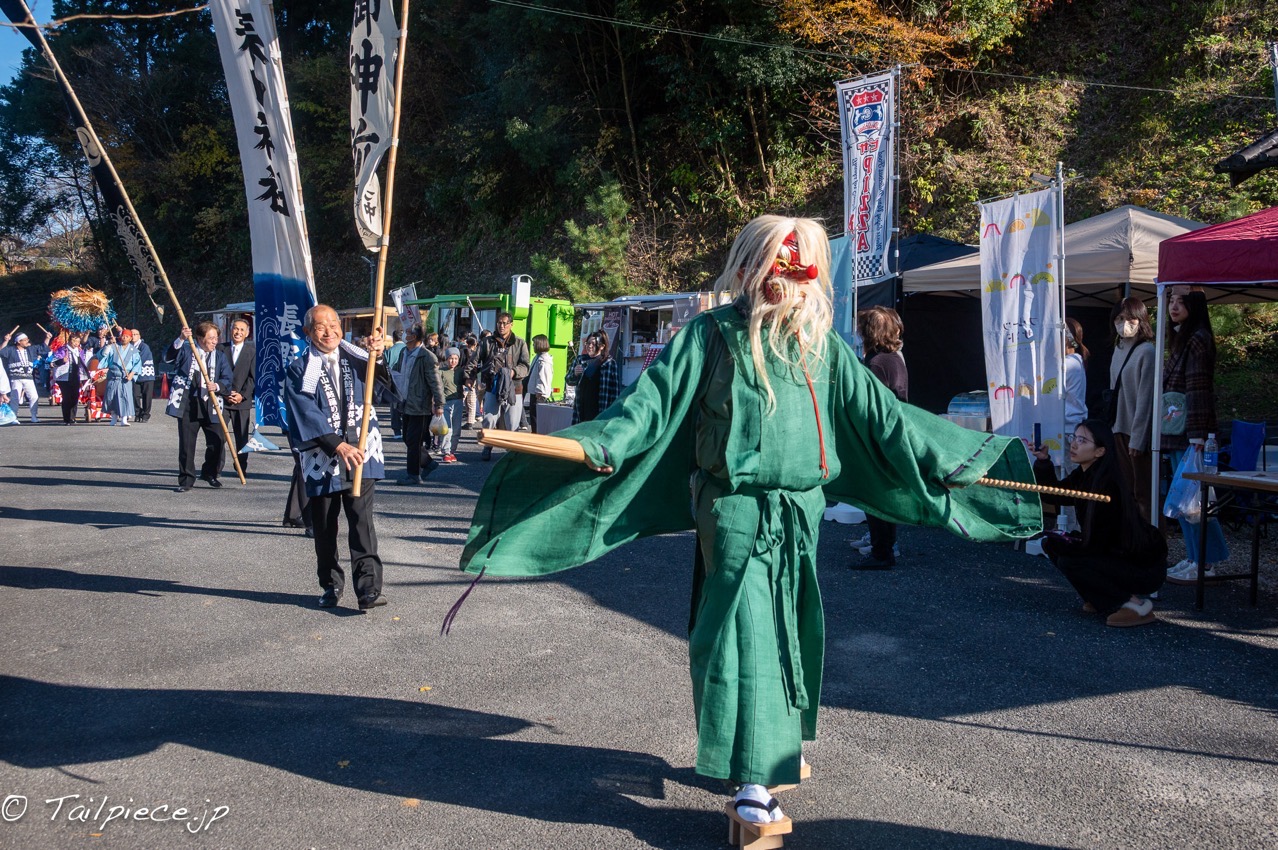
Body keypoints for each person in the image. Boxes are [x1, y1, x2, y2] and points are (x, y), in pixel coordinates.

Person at [458, 215, 1040, 828]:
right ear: (748, 269)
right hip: (734, 509)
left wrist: (955, 459)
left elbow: (887, 419)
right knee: (747, 630)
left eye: (796, 270)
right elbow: (647, 405)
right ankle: (754, 779)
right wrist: (601, 443)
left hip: (801, 510)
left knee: (790, 626)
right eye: (773, 267)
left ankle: (774, 747)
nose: (783, 282)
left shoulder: (822, 346)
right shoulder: (709, 334)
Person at [284, 304, 396, 610]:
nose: (329, 332)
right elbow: (304, 411)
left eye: (333, 325)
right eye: (320, 327)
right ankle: (330, 584)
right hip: (323, 458)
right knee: (324, 526)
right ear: (308, 332)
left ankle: (369, 589)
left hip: (361, 452)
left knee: (362, 522)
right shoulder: (300, 368)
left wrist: (378, 356)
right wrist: (337, 445)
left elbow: (385, 387)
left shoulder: (358, 357)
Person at [1028, 418, 1167, 626]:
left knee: (1070, 560)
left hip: (1138, 564)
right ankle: (1100, 599)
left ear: (1100, 451)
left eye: (1082, 441)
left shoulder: (1109, 485)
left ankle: (1134, 606)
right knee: (1052, 545)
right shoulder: (1084, 475)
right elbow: (1053, 494)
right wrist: (1043, 461)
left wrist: (1071, 544)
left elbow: (1101, 543)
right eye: (1074, 438)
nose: (1074, 445)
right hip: (1113, 554)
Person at [1162, 287, 1229, 584]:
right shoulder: (1184, 337)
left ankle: (1205, 561)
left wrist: (1199, 435)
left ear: (1194, 305)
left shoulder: (1198, 338)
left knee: (1195, 500)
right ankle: (1194, 557)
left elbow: (1199, 388)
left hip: (1192, 432)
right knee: (1183, 498)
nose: (1174, 307)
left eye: (1181, 302)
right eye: (1171, 301)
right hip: (1181, 428)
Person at [851, 306, 908, 569]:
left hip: (878, 437)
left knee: (873, 495)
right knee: (883, 495)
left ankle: (881, 552)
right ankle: (885, 548)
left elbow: (870, 405)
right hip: (891, 435)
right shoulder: (893, 358)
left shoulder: (876, 364)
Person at [164, 322, 233, 491]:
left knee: (217, 441)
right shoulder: (188, 351)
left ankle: (210, 473)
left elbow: (227, 378)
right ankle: (186, 480)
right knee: (187, 444)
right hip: (189, 403)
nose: (215, 341)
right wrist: (181, 338)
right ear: (201, 339)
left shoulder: (219, 356)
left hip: (212, 403)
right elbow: (168, 358)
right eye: (211, 338)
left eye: (216, 338)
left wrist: (217, 386)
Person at [1107, 297, 1157, 521]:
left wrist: (1138, 438)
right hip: (1118, 428)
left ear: (1141, 320)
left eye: (1130, 318)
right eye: (1119, 318)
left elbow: (1146, 398)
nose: (1124, 323)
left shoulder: (1147, 351)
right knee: (1126, 491)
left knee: (1143, 493)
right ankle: (1130, 536)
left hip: (1137, 434)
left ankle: (1151, 537)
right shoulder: (1118, 348)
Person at [465, 311, 530, 461]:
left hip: (514, 388)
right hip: (492, 387)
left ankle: (511, 452)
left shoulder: (520, 343)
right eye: (499, 323)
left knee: (512, 422)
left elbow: (526, 366)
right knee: (489, 419)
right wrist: (469, 377)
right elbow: (474, 361)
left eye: (505, 323)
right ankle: (488, 446)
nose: (502, 326)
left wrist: (514, 372)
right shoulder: (487, 342)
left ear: (511, 325)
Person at [397, 325, 444, 485]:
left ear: (416, 336)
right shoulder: (404, 352)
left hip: (420, 404)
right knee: (407, 439)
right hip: (405, 402)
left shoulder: (427, 356)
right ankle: (428, 463)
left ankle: (413, 474)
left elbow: (435, 382)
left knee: (414, 441)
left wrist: (439, 403)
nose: (405, 335)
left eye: (408, 333)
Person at [219, 318, 256, 472]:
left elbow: (253, 378)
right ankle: (216, 468)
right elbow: (215, 374)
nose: (238, 332)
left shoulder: (252, 351)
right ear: (230, 330)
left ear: (247, 333)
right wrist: (224, 392)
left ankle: (241, 468)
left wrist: (242, 395)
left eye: (242, 330)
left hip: (242, 402)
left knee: (241, 437)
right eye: (236, 328)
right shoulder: (221, 349)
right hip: (222, 400)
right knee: (219, 436)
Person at [95, 329, 140, 426]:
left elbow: (137, 364)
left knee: (125, 398)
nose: (124, 338)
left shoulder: (134, 351)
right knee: (112, 398)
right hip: (113, 377)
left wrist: (131, 374)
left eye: (127, 336)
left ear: (130, 338)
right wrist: (109, 345)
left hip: (125, 377)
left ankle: (124, 419)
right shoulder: (114, 347)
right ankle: (114, 417)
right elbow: (103, 355)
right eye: (123, 336)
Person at [1, 332, 41, 423]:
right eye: (25, 340)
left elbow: (42, 348)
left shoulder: (30, 350)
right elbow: (1, 351)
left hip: (28, 378)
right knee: (15, 398)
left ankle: (34, 416)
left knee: (34, 396)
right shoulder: (11, 350)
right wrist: (6, 341)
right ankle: (14, 417)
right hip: (16, 378)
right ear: (19, 341)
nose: (27, 341)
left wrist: (47, 338)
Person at [52, 334, 91, 425]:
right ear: (69, 341)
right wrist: (62, 361)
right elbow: (52, 363)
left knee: (75, 397)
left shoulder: (79, 351)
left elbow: (83, 362)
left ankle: (73, 417)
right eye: (74, 341)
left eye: (78, 341)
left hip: (76, 375)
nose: (76, 343)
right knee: (67, 397)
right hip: (64, 377)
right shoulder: (63, 350)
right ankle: (67, 419)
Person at [439, 347, 465, 462]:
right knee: (447, 428)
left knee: (456, 428)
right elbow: (437, 388)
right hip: (445, 402)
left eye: (455, 358)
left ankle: (452, 451)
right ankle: (446, 451)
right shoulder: (441, 371)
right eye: (450, 358)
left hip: (458, 401)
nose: (453, 361)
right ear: (446, 359)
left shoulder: (460, 371)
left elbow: (467, 380)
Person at [1064, 317, 1088, 439]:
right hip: (1071, 425)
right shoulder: (1076, 360)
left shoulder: (1069, 363)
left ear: (1068, 338)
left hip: (1068, 427)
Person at [527, 334, 554, 434]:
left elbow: (543, 377)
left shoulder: (544, 360)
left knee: (536, 418)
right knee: (533, 416)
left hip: (538, 394)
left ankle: (537, 435)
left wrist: (540, 391)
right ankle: (534, 433)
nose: (533, 345)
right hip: (534, 392)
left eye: (534, 343)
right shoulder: (538, 357)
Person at [131, 329, 156, 422]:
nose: (133, 336)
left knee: (147, 396)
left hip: (146, 374)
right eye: (132, 334)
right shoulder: (129, 347)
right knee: (135, 395)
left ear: (139, 336)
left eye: (135, 334)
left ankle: (146, 414)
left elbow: (141, 359)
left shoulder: (144, 346)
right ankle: (138, 413)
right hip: (135, 376)